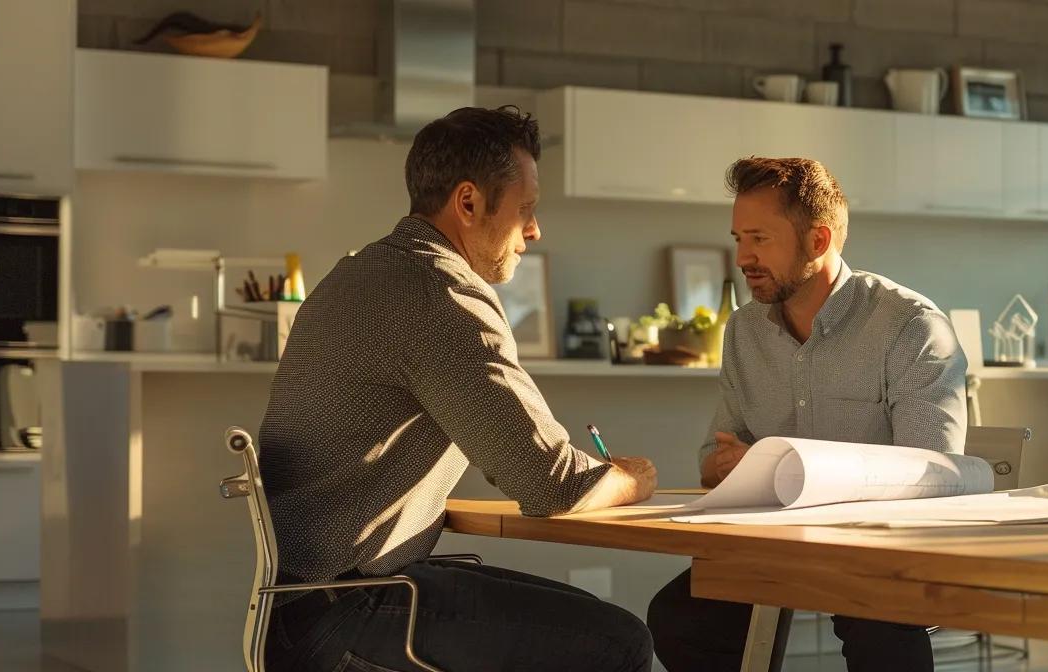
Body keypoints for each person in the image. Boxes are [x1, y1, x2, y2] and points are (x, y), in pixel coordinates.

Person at [258, 106, 657, 672]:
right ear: (468, 202)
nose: (535, 231)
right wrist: (631, 478)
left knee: (587, 619)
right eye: (527, 210)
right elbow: (550, 484)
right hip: (347, 608)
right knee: (617, 645)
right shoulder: (439, 292)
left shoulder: (359, 271)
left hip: (303, 602)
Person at [646, 157, 969, 671]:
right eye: (738, 239)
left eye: (759, 239)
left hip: (877, 550)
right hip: (774, 548)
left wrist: (772, 466)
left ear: (818, 241)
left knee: (879, 627)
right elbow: (713, 460)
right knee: (680, 618)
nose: (743, 257)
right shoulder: (744, 332)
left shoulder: (911, 326)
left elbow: (932, 475)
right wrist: (739, 465)